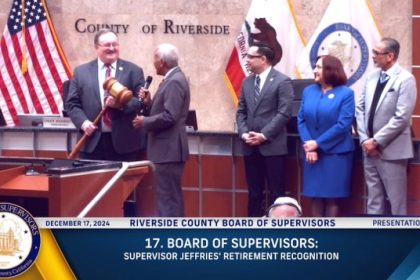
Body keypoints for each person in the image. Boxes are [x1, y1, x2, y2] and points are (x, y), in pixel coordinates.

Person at [355, 38, 417, 216]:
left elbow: (402, 118)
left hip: (392, 150)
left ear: (390, 56)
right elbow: (360, 109)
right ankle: (374, 241)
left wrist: (376, 141)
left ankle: (400, 243)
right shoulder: (371, 76)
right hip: (368, 149)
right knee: (374, 199)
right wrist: (365, 140)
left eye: (376, 53)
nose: (373, 56)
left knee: (397, 202)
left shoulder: (405, 79)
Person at [66, 28, 146, 161]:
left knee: (122, 182)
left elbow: (141, 103)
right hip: (91, 143)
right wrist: (84, 123)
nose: (112, 48)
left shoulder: (134, 71)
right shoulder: (81, 72)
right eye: (107, 45)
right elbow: (72, 104)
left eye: (115, 44)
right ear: (97, 47)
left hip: (125, 145)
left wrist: (120, 105)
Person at [236, 42, 294, 217]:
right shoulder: (247, 82)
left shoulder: (282, 81)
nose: (247, 61)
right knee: (254, 193)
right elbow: (241, 111)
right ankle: (252, 231)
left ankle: (277, 234)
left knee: (277, 194)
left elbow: (284, 113)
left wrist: (264, 135)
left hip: (272, 147)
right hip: (250, 147)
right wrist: (244, 132)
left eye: (250, 57)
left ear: (263, 59)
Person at [132, 43, 190, 217]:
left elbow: (170, 116)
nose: (154, 63)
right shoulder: (172, 79)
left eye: (155, 59)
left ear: (162, 62)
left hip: (168, 150)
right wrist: (149, 103)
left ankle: (169, 237)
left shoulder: (175, 81)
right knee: (168, 197)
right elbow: (166, 111)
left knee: (168, 199)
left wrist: (145, 121)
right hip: (167, 150)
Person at [297, 55, 355, 217]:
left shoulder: (346, 93)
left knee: (331, 198)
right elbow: (301, 119)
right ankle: (318, 236)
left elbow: (343, 124)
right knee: (315, 196)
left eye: (318, 67)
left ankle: (330, 236)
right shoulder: (309, 91)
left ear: (330, 70)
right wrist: (309, 146)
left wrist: (317, 143)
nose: (314, 70)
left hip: (335, 154)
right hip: (311, 153)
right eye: (315, 67)